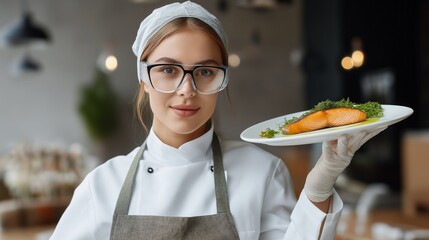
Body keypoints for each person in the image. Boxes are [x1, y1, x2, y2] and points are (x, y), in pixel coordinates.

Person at [50, 1, 386, 239]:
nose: (187, 90)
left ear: (221, 80)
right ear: (144, 79)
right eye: (167, 70)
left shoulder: (262, 173)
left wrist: (319, 186)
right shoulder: (102, 186)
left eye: (205, 72)